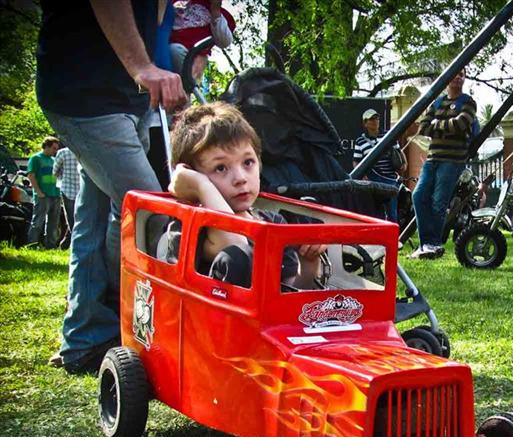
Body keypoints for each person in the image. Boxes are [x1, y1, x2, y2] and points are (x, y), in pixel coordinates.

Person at [38, 1, 186, 374]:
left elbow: (152, 14)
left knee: (97, 219)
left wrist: (153, 71)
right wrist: (143, 67)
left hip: (130, 98)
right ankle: (128, 329)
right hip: (85, 92)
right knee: (150, 213)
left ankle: (85, 338)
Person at [168, 102, 325, 289]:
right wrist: (202, 187)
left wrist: (308, 265)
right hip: (214, 317)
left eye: (248, 162)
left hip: (265, 317)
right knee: (237, 257)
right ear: (191, 176)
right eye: (220, 168)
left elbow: (288, 290)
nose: (240, 178)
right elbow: (237, 250)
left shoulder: (273, 222)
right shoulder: (189, 227)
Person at [410, 68, 477, 259]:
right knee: (418, 196)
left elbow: (461, 124)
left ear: (464, 79)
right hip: (432, 158)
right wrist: (447, 126)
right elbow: (423, 127)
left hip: (453, 160)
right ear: (447, 78)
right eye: (455, 74)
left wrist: (437, 126)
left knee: (438, 203)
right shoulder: (437, 102)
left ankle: (433, 244)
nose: (458, 77)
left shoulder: (468, 102)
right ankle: (427, 244)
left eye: (461, 74)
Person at [353, 108, 406, 222]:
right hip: (373, 181)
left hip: (390, 179)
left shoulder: (388, 135)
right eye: (371, 119)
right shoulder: (360, 141)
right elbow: (356, 161)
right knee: (375, 213)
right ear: (365, 123)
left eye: (376, 118)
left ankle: (393, 238)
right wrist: (362, 175)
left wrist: (404, 164)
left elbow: (399, 151)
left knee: (392, 213)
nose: (375, 121)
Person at [170, 0, 235, 82]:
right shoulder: (174, 4)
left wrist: (215, 10)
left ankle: (183, 90)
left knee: (175, 51)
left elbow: (224, 42)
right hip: (163, 50)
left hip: (190, 56)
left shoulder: (221, 16)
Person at [26, 136, 61, 249]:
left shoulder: (53, 160)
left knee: (53, 223)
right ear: (46, 146)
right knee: (38, 221)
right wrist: (38, 192)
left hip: (55, 194)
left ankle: (50, 245)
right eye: (54, 148)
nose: (55, 151)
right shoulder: (36, 158)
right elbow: (31, 175)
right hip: (43, 194)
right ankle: (32, 243)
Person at [52, 145, 80, 248]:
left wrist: (62, 177)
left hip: (67, 189)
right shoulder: (84, 151)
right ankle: (66, 244)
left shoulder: (62, 152)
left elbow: (54, 172)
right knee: (79, 218)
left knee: (71, 219)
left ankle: (70, 245)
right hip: (82, 189)